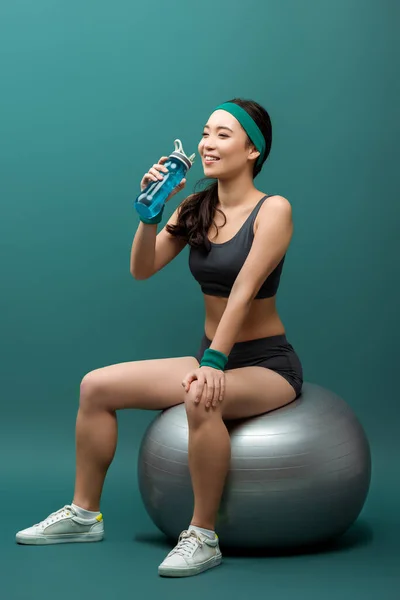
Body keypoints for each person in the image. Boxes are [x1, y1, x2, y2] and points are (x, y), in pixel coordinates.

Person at [15, 98, 303, 578]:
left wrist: (212, 363)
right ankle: (84, 514)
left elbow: (243, 291)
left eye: (223, 134)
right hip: (211, 355)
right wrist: (150, 214)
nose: (207, 143)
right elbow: (141, 268)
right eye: (205, 132)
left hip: (266, 364)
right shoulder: (195, 205)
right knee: (96, 386)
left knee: (199, 398)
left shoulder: (274, 211)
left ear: (254, 150)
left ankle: (203, 536)